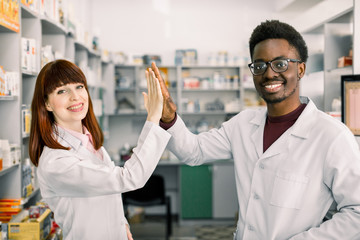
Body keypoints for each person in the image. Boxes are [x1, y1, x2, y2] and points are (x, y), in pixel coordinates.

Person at [152, 20, 360, 239]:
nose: (269, 74)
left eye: (280, 64)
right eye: (259, 66)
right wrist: (168, 118)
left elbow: (356, 212)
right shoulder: (243, 124)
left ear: (300, 69)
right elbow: (193, 152)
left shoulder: (331, 136)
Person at [29, 59, 170, 240]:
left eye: (79, 87)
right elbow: (128, 179)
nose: (75, 97)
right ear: (47, 104)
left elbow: (109, 190)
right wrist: (154, 119)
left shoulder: (90, 143)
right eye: (62, 91)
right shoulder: (56, 162)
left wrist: (122, 224)